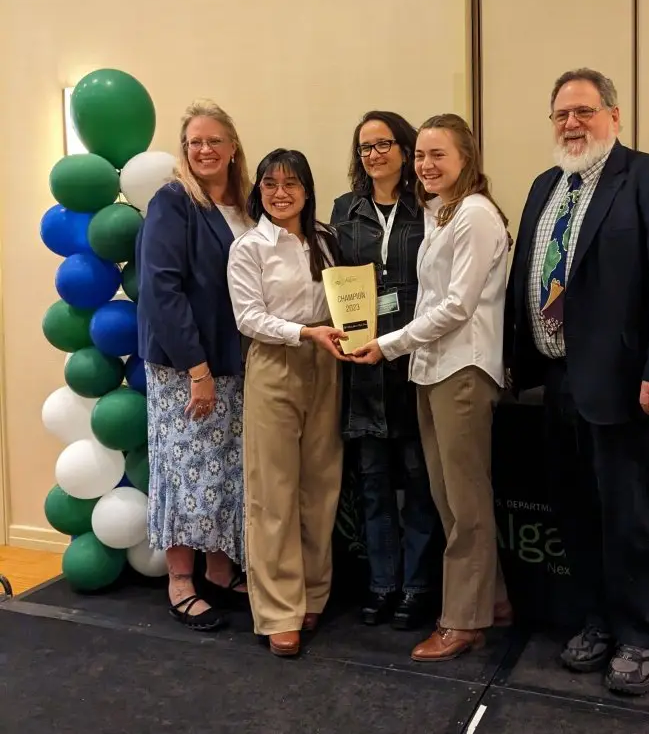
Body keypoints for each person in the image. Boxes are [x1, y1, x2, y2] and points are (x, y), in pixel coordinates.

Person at [503, 68, 649, 694]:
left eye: (585, 111)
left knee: (636, 518)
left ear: (615, 117)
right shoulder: (545, 187)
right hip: (560, 384)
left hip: (629, 387)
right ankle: (596, 620)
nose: (573, 124)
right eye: (562, 114)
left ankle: (641, 635)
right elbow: (529, 279)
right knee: (576, 515)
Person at [350, 113, 511, 662]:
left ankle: (462, 621)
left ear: (466, 158)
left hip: (462, 371)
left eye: (438, 155)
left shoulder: (474, 215)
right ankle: (493, 600)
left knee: (463, 504)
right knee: (450, 500)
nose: (426, 165)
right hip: (432, 369)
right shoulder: (441, 215)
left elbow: (457, 306)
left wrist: (391, 343)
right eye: (422, 155)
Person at [136, 99, 253, 631]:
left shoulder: (247, 207)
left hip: (235, 365)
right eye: (194, 142)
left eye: (214, 141)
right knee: (185, 472)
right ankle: (180, 580)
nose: (204, 150)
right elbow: (161, 291)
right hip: (189, 367)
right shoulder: (173, 202)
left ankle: (220, 570)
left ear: (233, 148)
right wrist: (197, 369)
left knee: (226, 472)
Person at [227, 148, 347, 658]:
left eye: (291, 183)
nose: (280, 193)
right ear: (258, 189)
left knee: (320, 486)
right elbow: (249, 318)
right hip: (275, 364)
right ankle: (278, 610)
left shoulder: (324, 240)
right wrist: (304, 332)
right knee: (272, 491)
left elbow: (346, 299)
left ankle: (313, 594)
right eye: (270, 183)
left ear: (306, 188)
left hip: (327, 363)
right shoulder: (249, 247)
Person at [330, 111, 441, 630]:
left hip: (418, 360)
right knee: (374, 483)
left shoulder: (434, 208)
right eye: (365, 148)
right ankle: (381, 584)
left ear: (405, 148)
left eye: (384, 144)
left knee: (420, 482)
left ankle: (417, 587)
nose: (374, 155)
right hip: (364, 367)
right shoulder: (343, 212)